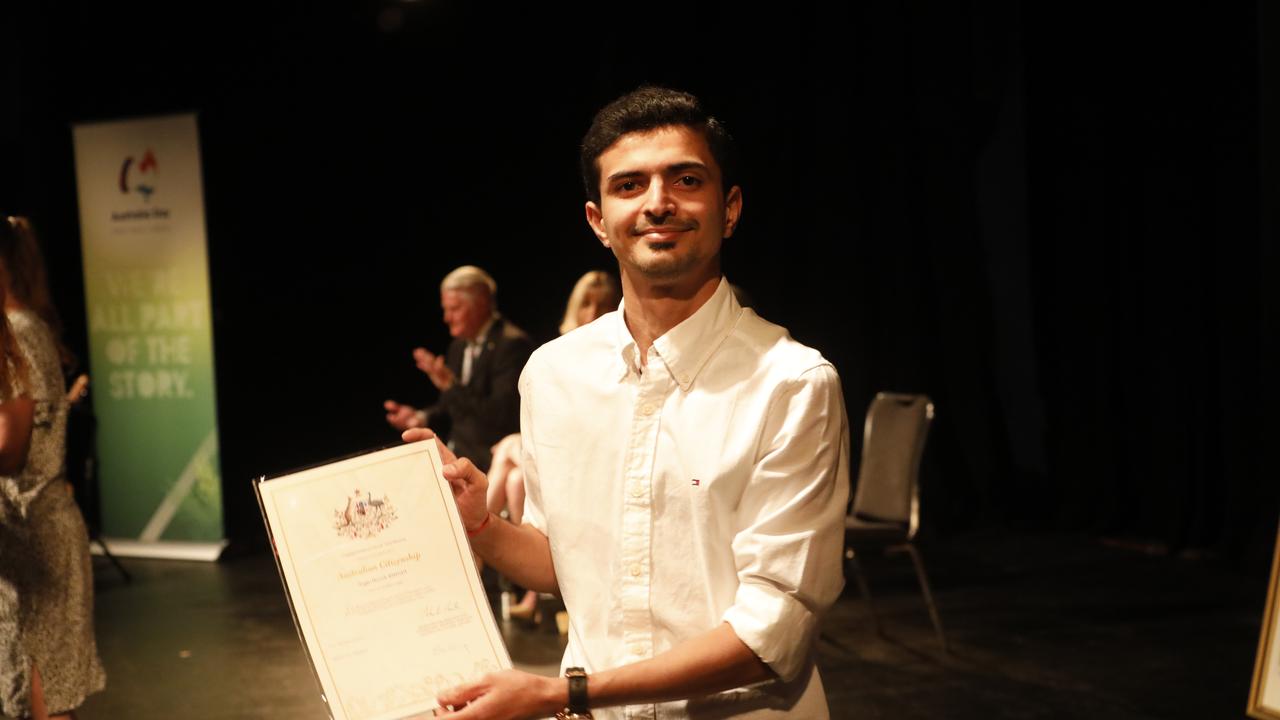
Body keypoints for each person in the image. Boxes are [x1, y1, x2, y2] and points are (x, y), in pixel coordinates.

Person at [411, 87, 850, 719]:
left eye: (686, 179)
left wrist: (564, 692)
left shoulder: (792, 383)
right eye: (629, 185)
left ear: (730, 208)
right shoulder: (553, 374)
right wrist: (480, 524)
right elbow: (561, 562)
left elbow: (771, 633)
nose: (657, 203)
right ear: (597, 219)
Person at [0, 216, 105, 720]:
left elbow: (13, 448)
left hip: (38, 535)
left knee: (46, 697)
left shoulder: (19, 333)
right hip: (27, 536)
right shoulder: (25, 330)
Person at [488, 270, 620, 621]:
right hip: (559, 444)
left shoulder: (620, 355)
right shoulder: (556, 358)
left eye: (602, 304)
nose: (592, 313)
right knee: (514, 477)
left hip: (587, 452)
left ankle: (472, 550)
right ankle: (530, 590)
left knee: (510, 469)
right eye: (586, 304)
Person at [384, 265, 533, 471]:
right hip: (458, 453)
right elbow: (454, 406)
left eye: (454, 309)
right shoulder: (458, 346)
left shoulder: (511, 345)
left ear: (481, 302)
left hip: (493, 460)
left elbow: (500, 416)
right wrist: (420, 417)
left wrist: (451, 386)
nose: (447, 318)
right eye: (445, 309)